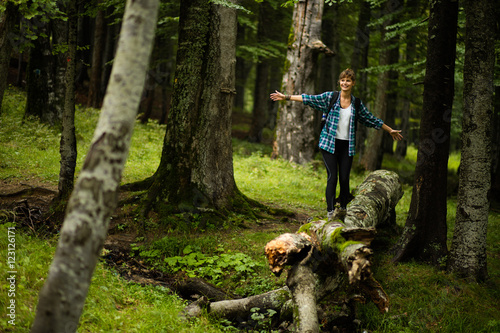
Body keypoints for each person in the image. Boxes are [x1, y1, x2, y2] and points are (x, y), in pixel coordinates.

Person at [270, 68, 403, 221]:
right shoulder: (330, 97)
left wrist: (389, 130)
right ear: (339, 82)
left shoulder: (357, 104)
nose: (344, 83)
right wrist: (286, 97)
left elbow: (372, 119)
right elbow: (309, 98)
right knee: (332, 176)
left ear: (353, 83)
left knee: (345, 178)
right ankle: (330, 211)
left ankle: (344, 210)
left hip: (347, 146)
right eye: (342, 80)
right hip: (329, 144)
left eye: (348, 80)